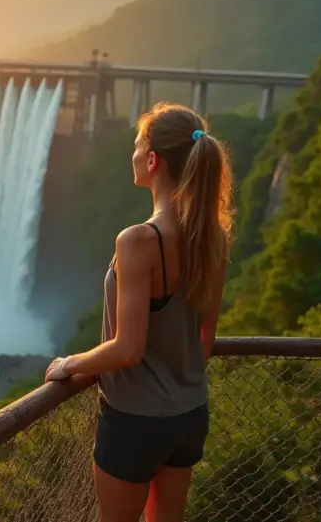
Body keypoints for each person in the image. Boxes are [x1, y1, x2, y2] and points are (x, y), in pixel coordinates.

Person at [44, 102, 234, 522]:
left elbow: (128, 348)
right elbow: (205, 342)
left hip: (136, 422)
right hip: (189, 415)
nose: (130, 155)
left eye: (135, 147)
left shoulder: (138, 241)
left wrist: (70, 363)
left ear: (152, 160)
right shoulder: (211, 238)